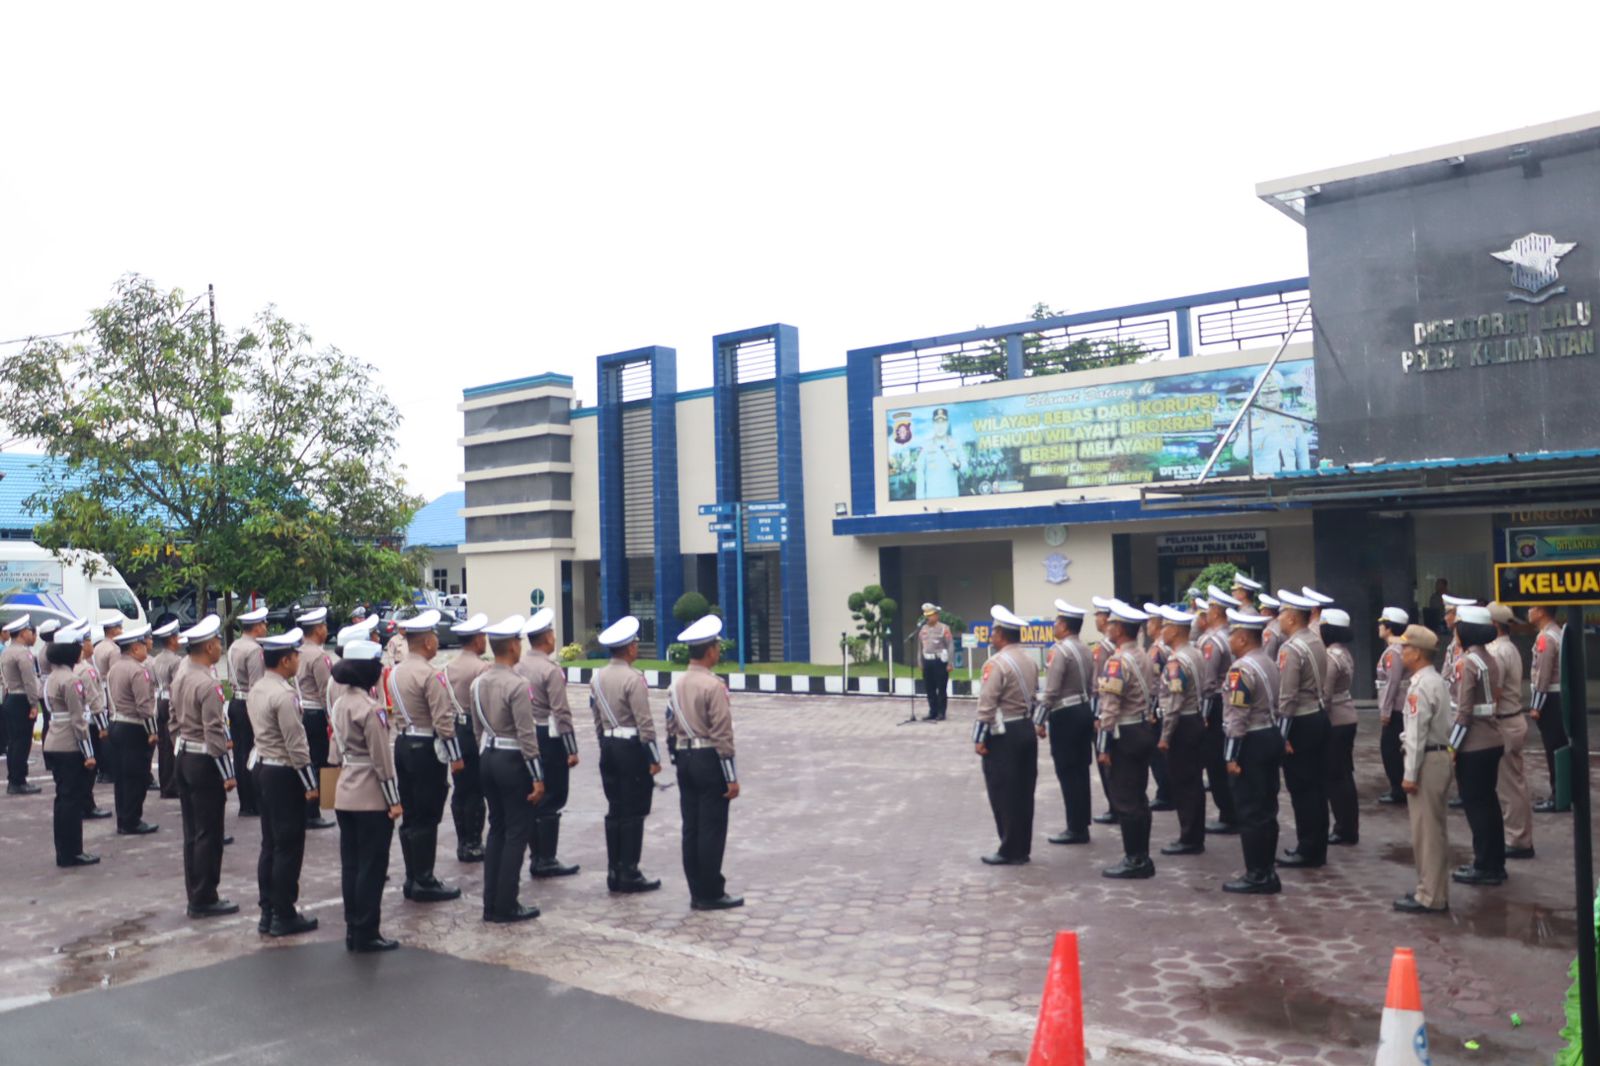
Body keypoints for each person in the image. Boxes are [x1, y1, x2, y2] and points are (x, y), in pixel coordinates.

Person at [470, 614, 546, 923]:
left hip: (487, 757)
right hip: (513, 760)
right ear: (513, 646)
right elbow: (526, 734)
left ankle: (491, 903)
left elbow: (477, 730)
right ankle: (507, 903)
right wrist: (538, 776)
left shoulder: (478, 682)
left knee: (498, 829)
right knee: (517, 831)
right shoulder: (517, 684)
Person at [330, 634, 403, 951]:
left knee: (351, 865)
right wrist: (394, 801)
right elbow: (382, 760)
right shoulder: (371, 709)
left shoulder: (339, 703)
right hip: (371, 794)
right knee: (372, 868)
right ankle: (366, 932)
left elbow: (333, 752)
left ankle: (353, 928)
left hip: (345, 791)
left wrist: (329, 795)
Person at [246, 627, 320, 937]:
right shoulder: (284, 695)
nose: (298, 660)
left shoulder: (259, 688)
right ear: (286, 660)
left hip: (263, 766)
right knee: (288, 845)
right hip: (283, 772)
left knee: (271, 843)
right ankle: (283, 912)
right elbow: (296, 744)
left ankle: (268, 910)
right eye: (295, 655)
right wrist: (309, 782)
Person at [387, 609, 463, 903]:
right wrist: (455, 756)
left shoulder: (396, 671)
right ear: (428, 642)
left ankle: (412, 876)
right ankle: (425, 879)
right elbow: (443, 719)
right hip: (426, 748)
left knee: (410, 815)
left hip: (404, 744)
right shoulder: (429, 675)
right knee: (428, 815)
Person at [667, 615, 743, 909]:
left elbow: (670, 725)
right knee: (711, 827)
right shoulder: (713, 686)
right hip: (708, 758)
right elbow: (723, 733)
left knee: (692, 826)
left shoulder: (676, 685)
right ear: (710, 651)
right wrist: (731, 775)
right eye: (717, 647)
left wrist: (675, 758)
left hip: (685, 757)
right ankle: (711, 892)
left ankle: (696, 890)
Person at [171, 615, 239, 918]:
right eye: (218, 643)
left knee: (193, 833)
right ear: (209, 646)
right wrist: (228, 772)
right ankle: (204, 897)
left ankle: (195, 893)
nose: (220, 647)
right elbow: (214, 731)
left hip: (184, 754)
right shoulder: (208, 684)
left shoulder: (182, 674)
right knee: (209, 834)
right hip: (203, 760)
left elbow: (172, 719)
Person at [590, 616, 663, 892]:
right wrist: (653, 758)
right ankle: (629, 872)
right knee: (634, 811)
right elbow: (645, 723)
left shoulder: (597, 676)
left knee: (615, 809)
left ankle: (614, 871)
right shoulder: (634, 679)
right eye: (635, 643)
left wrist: (604, 744)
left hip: (608, 747)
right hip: (631, 749)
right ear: (629, 648)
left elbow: (596, 718)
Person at [1221, 608, 1284, 895]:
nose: (1229, 640)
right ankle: (1266, 869)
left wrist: (1232, 755)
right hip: (1270, 735)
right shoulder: (1268, 662)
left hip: (1251, 741)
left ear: (1244, 638)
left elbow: (1237, 714)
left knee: (1250, 810)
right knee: (1267, 807)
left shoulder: (1241, 668)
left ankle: (1257, 873)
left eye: (1233, 634)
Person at [516, 609, 581, 878]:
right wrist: (571, 747)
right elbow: (561, 711)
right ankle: (546, 859)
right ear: (546, 638)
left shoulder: (520, 666)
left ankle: (537, 855)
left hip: (526, 736)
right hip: (548, 736)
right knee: (553, 796)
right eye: (552, 633)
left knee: (534, 796)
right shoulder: (550, 670)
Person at [1095, 601, 1157, 879]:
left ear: (1119, 629)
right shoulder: (1142, 655)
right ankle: (1140, 854)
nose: (1108, 627)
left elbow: (1110, 706)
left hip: (1125, 733)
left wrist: (1103, 744)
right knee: (1138, 796)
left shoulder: (1117, 661)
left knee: (1126, 798)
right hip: (1142, 728)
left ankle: (1136, 859)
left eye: (1111, 624)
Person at [973, 605, 1038, 866]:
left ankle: (1009, 849)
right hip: (1025, 728)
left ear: (1001, 634)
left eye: (993, 630)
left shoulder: (996, 663)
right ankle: (1022, 847)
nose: (991, 634)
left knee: (1003, 792)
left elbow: (987, 703)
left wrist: (979, 737)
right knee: (1024, 791)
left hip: (1004, 734)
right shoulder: (1030, 660)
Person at [1394, 625, 1452, 915]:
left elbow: (1416, 734)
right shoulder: (1435, 680)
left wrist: (1409, 774)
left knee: (1426, 834)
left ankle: (1430, 896)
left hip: (1426, 761)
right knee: (1434, 831)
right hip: (1439, 757)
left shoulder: (1420, 685)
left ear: (1416, 653)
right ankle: (1434, 891)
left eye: (1405, 648)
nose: (1402, 652)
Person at [1274, 589, 1330, 870]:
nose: (1279, 618)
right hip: (1317, 716)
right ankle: (1316, 845)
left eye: (1282, 613)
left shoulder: (1291, 648)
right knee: (1316, 787)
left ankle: (1307, 848)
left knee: (1302, 788)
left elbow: (1287, 696)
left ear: (1293, 618)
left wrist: (1281, 735)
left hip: (1300, 722)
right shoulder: (1316, 641)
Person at [1450, 604, 1506, 887]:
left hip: (1473, 743)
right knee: (1489, 803)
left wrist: (1452, 748)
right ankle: (1496, 862)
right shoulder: (1489, 659)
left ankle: (1484, 865)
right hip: (1492, 739)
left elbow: (1463, 712)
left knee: (1477, 806)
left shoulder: (1466, 663)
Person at [1036, 600, 1094, 845]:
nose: (1055, 625)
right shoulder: (1085, 649)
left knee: (1068, 771)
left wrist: (1040, 719)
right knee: (1081, 770)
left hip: (1066, 715)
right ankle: (1082, 822)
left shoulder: (1060, 651)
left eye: (1058, 622)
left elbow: (1052, 689)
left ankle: (1075, 827)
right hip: (1084, 709)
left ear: (1065, 626)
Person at [42, 623, 99, 866]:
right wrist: (88, 752)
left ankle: (65, 851)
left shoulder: (53, 677)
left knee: (63, 800)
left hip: (54, 740)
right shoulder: (72, 680)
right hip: (69, 745)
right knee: (71, 801)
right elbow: (78, 720)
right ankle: (71, 852)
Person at [1157, 605, 1206, 856]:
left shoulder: (1177, 661)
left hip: (1182, 725)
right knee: (1194, 781)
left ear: (1175, 631)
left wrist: (1165, 736)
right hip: (1195, 719)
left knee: (1184, 783)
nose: (1162, 631)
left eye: (1165, 627)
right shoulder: (1196, 653)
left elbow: (1174, 703)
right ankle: (1195, 833)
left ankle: (1189, 837)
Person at [1487, 602, 1534, 861]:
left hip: (1505, 721)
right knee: (1515, 782)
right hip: (1513, 718)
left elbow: (1495, 692)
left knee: (1509, 786)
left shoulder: (1497, 652)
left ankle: (1518, 839)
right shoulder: (1510, 648)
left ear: (1493, 625)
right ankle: (1519, 836)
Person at [442, 613, 489, 863]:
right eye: (483, 636)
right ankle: (473, 843)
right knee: (475, 791)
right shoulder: (481, 668)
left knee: (460, 789)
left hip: (455, 731)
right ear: (476, 640)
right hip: (473, 731)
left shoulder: (449, 666)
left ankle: (463, 842)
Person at [106, 622, 159, 835]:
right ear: (135, 648)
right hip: (134, 727)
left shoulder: (115, 668)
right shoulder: (138, 671)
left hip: (117, 723)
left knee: (122, 777)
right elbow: (144, 706)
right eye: (143, 645)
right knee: (136, 776)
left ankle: (123, 818)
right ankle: (132, 820)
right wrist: (153, 731)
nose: (147, 648)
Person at [1198, 586, 1240, 833]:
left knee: (1215, 761)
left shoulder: (1214, 641)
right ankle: (1230, 810)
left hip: (1214, 703)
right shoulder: (1230, 635)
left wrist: (1203, 713)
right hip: (1227, 700)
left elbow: (1207, 680)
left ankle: (1228, 813)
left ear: (1215, 612)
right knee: (1223, 757)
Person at [293, 607, 338, 829]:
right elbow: (326, 690)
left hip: (302, 711)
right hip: (316, 713)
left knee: (305, 760)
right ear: (318, 630)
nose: (326, 630)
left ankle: (304, 809)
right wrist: (332, 719)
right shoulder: (320, 656)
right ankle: (312, 812)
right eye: (324, 626)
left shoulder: (298, 652)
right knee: (318, 762)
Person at [1319, 609, 1358, 846]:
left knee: (1336, 778)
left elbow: (1325, 694)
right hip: (1346, 717)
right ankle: (1347, 826)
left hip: (1335, 720)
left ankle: (1344, 828)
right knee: (1343, 775)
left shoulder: (1331, 657)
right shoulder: (1342, 653)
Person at [227, 606, 269, 818]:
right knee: (253, 752)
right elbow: (257, 686)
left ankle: (246, 802)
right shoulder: (254, 650)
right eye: (263, 624)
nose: (266, 627)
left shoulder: (235, 645)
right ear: (257, 627)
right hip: (248, 704)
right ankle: (253, 801)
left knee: (240, 753)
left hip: (236, 701)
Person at [1528, 604, 1570, 813]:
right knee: (1559, 747)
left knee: (1553, 748)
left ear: (1542, 611)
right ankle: (1563, 793)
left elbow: (1542, 676)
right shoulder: (1557, 632)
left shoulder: (1545, 637)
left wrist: (1536, 705)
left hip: (1550, 698)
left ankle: (1558, 795)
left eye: (1532, 607)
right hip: (1558, 696)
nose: (1529, 611)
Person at [2, 616, 43, 795]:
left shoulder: (7, 651)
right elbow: (29, 681)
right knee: (22, 743)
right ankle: (19, 781)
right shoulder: (23, 654)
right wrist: (34, 703)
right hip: (21, 700)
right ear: (23, 632)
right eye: (28, 631)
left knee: (14, 742)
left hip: (10, 698)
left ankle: (14, 779)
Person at [74, 629, 112, 819]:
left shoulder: (74, 668)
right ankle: (87, 805)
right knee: (90, 767)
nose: (92, 645)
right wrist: (103, 727)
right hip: (90, 722)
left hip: (79, 721)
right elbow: (95, 701)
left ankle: (84, 803)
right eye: (89, 642)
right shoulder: (86, 670)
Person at [1375, 608, 1410, 805]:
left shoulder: (1393, 652)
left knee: (1390, 749)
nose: (1379, 627)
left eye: (1382, 623)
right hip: (1399, 705)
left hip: (1396, 706)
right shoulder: (1398, 649)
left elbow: (1392, 683)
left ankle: (1398, 788)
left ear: (1389, 627)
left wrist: (1385, 710)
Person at [1141, 604, 1174, 813]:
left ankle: (1165, 794)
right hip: (1166, 704)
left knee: (1157, 754)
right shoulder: (1167, 647)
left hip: (1158, 706)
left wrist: (1150, 710)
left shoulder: (1156, 650)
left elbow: (1154, 684)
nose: (1146, 626)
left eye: (1150, 623)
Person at [151, 620, 183, 799]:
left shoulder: (156, 659)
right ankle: (173, 785)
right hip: (171, 701)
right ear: (171, 640)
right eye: (177, 637)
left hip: (159, 701)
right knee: (173, 744)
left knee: (163, 745)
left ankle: (165, 783)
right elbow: (177, 686)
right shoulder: (176, 661)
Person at [914, 407, 965, 499]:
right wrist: (920, 500)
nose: (940, 426)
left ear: (947, 423)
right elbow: (920, 474)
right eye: (937, 422)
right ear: (933, 424)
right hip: (932, 500)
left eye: (943, 422)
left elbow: (965, 467)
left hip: (952, 497)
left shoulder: (956, 444)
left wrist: (958, 464)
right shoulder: (925, 446)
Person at [917, 604, 953, 721]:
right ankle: (932, 712)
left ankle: (941, 713)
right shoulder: (923, 629)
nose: (929, 618)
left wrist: (950, 662)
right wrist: (920, 661)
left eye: (931, 615)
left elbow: (950, 645)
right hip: (927, 661)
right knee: (929, 688)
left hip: (940, 661)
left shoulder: (944, 628)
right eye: (927, 616)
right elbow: (920, 647)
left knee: (941, 688)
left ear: (937, 615)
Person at [1258, 594, 1283, 660]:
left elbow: (1268, 656)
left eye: (1262, 610)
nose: (1261, 613)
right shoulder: (1282, 625)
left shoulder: (1269, 632)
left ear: (1267, 612)